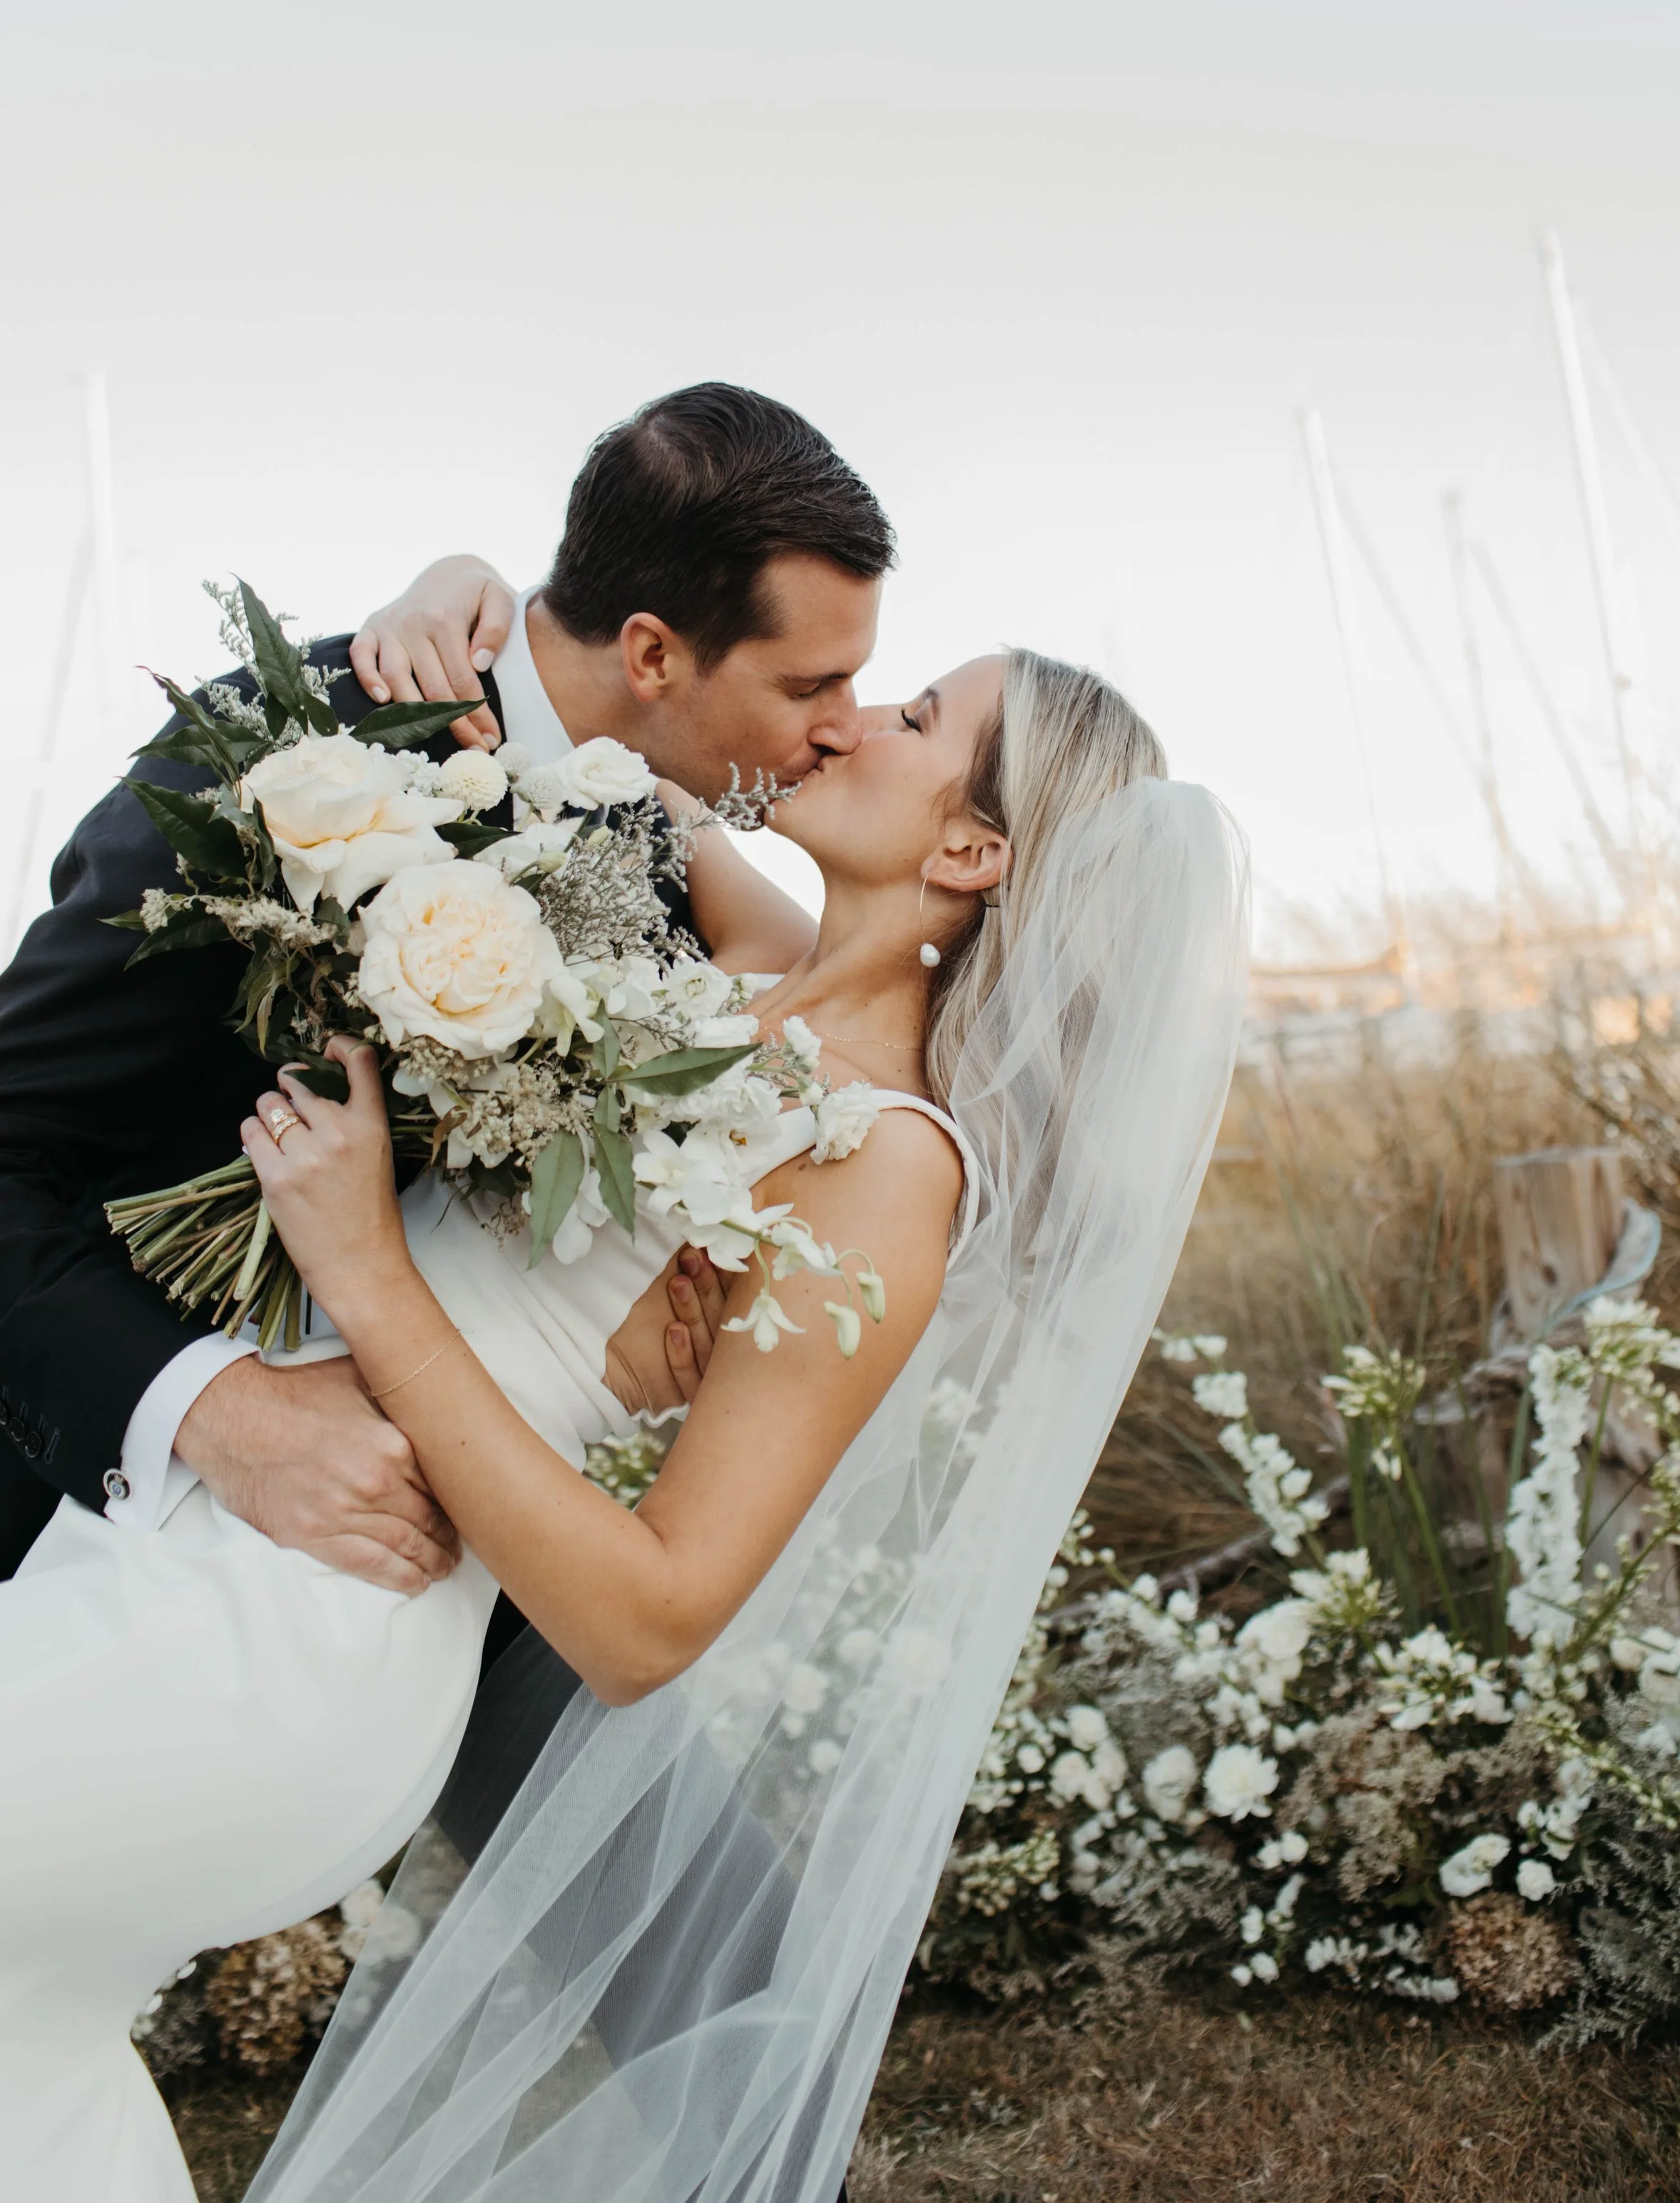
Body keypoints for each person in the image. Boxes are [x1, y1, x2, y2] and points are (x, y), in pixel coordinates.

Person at [0, 636, 1248, 2202]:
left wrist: (371, 1271)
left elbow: (652, 1620)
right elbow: (601, 723)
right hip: (190, 1531)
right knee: (28, 2039)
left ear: (971, 851)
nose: (851, 719)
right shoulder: (746, 961)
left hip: (323, 1618)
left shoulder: (884, 1165)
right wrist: (458, 595)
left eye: (916, 716)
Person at [0, 382, 894, 1588]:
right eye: (809, 686)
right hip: (74, 1541)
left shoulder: (658, 856)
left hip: (415, 1561)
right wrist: (216, 1411)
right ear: (650, 652)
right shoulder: (299, 751)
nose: (846, 727)